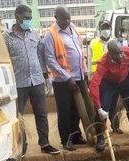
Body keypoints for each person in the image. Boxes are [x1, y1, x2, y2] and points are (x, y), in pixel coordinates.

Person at [3, 5, 60, 155]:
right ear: (17, 17)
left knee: (41, 113)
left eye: (30, 18)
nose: (28, 20)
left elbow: (41, 58)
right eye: (26, 18)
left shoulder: (34, 35)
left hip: (36, 81)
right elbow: (6, 61)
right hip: (18, 83)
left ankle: (45, 143)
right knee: (18, 116)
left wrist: (46, 77)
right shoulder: (6, 37)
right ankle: (22, 145)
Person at [44, 5, 88, 151]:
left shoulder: (73, 29)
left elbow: (80, 52)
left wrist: (85, 71)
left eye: (69, 18)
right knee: (65, 110)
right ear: (56, 17)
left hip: (79, 76)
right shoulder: (51, 34)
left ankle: (76, 136)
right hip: (63, 80)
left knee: (76, 109)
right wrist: (67, 77)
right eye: (64, 19)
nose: (67, 21)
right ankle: (66, 139)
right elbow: (50, 59)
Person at [89, 40, 129, 151]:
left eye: (121, 52)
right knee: (103, 110)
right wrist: (99, 107)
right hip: (108, 83)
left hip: (125, 80)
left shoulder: (128, 52)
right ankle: (100, 138)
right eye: (117, 53)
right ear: (110, 54)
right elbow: (94, 85)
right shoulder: (103, 63)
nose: (121, 56)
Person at [90, 20, 123, 134]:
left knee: (114, 105)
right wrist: (89, 74)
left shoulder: (116, 44)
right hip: (100, 79)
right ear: (99, 29)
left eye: (107, 27)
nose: (106, 30)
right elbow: (89, 60)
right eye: (103, 27)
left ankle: (115, 126)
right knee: (103, 105)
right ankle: (102, 130)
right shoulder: (93, 43)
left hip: (114, 78)